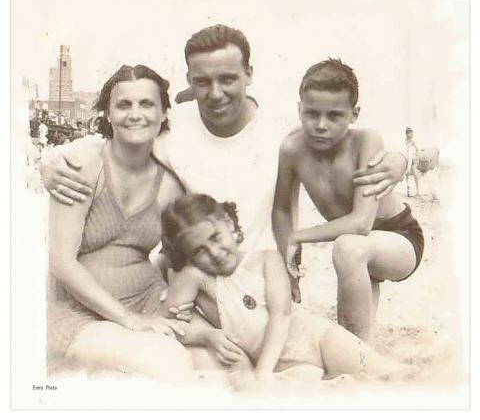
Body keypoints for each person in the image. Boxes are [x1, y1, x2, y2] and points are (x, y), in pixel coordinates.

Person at [40, 24, 408, 260]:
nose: (215, 93)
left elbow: (348, 139)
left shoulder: (286, 130)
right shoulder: (171, 127)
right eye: (203, 82)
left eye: (228, 79)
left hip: (268, 281)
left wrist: (398, 161)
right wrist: (48, 162)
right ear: (189, 80)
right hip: (197, 282)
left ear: (249, 74)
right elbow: (110, 144)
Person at [159, 193, 412, 389]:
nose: (214, 253)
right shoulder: (196, 277)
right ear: (188, 256)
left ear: (228, 223)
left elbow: (281, 315)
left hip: (315, 340)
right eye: (199, 250)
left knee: (387, 375)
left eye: (215, 238)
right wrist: (207, 336)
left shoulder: (266, 259)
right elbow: (167, 323)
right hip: (281, 365)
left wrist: (262, 372)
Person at [47, 64, 195, 380]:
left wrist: (177, 295)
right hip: (79, 315)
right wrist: (129, 319)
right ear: (108, 114)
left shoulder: (171, 184)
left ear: (164, 114)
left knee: (219, 352)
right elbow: (61, 262)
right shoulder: (84, 166)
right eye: (124, 105)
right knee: (169, 364)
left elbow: (174, 255)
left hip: (148, 299)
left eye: (146, 104)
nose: (135, 114)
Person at [272, 59, 424, 343]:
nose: (321, 125)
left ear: (354, 114)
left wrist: (298, 236)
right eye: (311, 113)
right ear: (299, 109)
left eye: (334, 116)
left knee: (348, 247)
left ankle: (352, 355)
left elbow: (361, 223)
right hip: (360, 252)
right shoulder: (292, 149)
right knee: (361, 335)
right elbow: (282, 208)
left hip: (399, 239)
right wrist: (287, 257)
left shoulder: (366, 141)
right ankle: (359, 352)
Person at [405, 126, 422, 197]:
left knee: (415, 176)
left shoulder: (413, 141)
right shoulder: (406, 141)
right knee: (407, 176)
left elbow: (417, 149)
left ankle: (417, 192)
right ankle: (408, 191)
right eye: (410, 133)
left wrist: (416, 155)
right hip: (408, 159)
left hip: (412, 159)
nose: (412, 134)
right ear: (407, 134)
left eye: (412, 133)